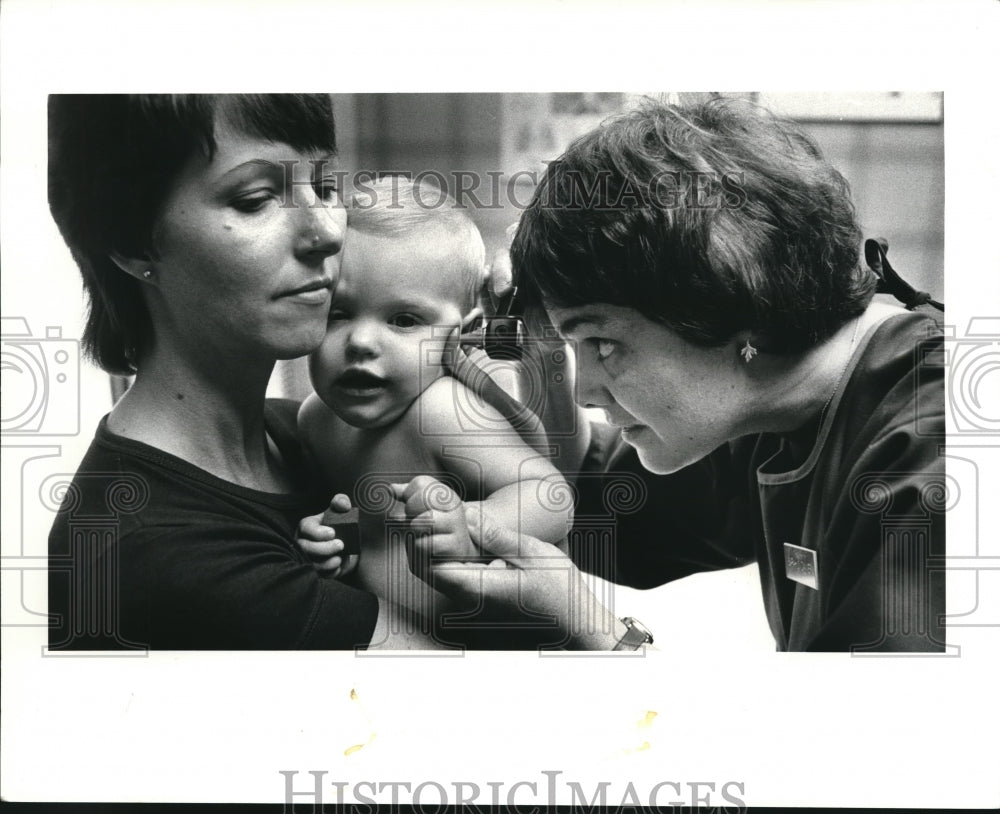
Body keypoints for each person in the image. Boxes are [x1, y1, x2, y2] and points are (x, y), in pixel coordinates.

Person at [394, 98, 946, 653]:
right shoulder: (772, 394)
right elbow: (614, 513)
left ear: (736, 301)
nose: (585, 393)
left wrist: (604, 638)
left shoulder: (937, 452)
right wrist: (541, 349)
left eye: (604, 344)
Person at [46, 94, 393, 649]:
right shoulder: (157, 549)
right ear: (132, 244)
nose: (326, 231)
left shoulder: (300, 429)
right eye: (255, 199)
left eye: (327, 186)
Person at [296, 178, 573, 649]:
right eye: (338, 314)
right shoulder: (315, 420)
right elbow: (371, 532)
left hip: (506, 644)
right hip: (407, 647)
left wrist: (472, 526)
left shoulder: (444, 410)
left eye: (403, 320)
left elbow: (550, 495)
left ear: (459, 334)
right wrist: (332, 545)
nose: (361, 342)